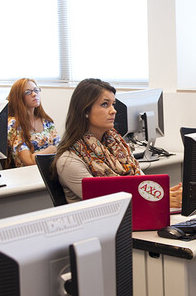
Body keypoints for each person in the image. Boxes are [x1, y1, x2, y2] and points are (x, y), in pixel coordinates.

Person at [54, 78, 181, 207]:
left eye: (113, 104)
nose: (113, 110)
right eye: (105, 104)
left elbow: (142, 185)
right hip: (103, 223)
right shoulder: (69, 160)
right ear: (85, 111)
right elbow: (107, 202)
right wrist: (159, 199)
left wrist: (163, 194)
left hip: (133, 216)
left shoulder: (118, 146)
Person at [6, 78, 58, 167]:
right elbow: (29, 161)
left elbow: (61, 150)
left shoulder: (46, 121)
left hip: (52, 170)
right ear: (18, 97)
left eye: (36, 90)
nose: (34, 94)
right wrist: (51, 149)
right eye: (28, 92)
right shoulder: (14, 124)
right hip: (28, 175)